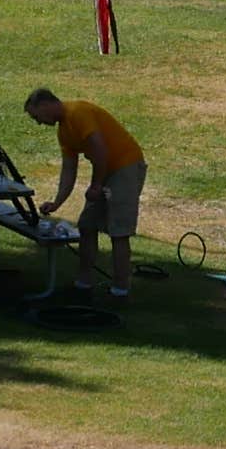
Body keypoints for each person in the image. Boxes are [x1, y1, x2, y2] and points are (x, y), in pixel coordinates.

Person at [25, 86, 145, 297]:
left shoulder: (77, 112)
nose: (39, 122)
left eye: (37, 116)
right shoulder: (64, 131)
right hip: (105, 170)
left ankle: (120, 290)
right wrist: (57, 203)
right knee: (87, 225)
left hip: (125, 166)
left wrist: (97, 185)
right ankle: (83, 283)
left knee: (118, 230)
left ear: (45, 105)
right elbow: (69, 169)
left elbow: (100, 150)